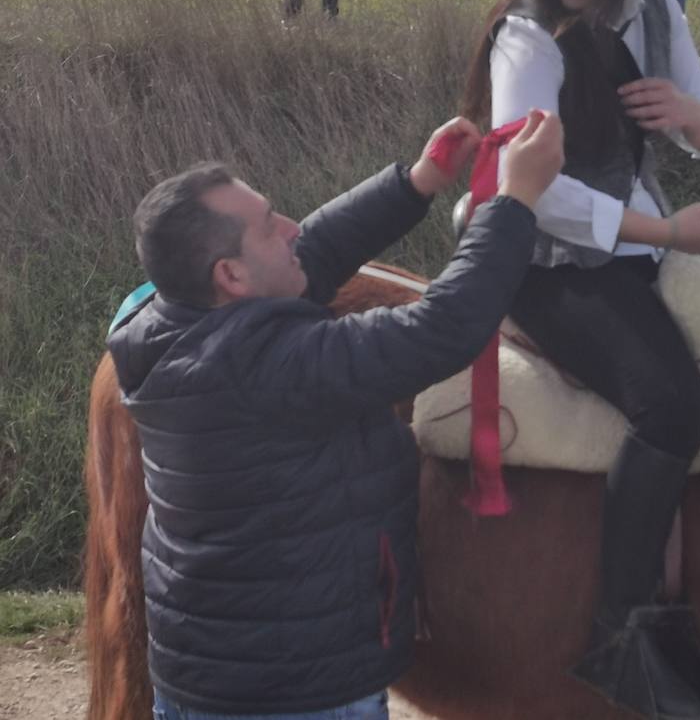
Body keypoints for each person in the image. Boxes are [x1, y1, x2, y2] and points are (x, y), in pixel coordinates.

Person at [108, 111, 564, 720]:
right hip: (296, 694)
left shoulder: (168, 327)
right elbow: (439, 329)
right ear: (230, 274)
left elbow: (310, 253)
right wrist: (515, 203)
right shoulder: (273, 368)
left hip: (205, 676)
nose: (292, 227)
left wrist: (416, 183)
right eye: (270, 227)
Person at [464, 0, 700, 720]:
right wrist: (664, 230)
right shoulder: (525, 32)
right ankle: (620, 629)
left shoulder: (658, 5)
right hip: (537, 259)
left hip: (632, 241)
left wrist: (692, 117)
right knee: (671, 405)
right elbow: (535, 189)